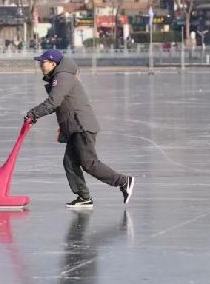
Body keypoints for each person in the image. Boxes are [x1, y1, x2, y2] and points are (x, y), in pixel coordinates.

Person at [24, 49, 134, 209]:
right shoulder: (60, 76)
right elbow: (60, 105)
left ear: (53, 63)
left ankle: (124, 181)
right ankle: (84, 197)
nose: (40, 65)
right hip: (74, 127)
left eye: (43, 62)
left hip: (81, 126)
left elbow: (53, 102)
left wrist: (33, 114)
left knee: (89, 163)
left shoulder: (62, 77)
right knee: (69, 163)